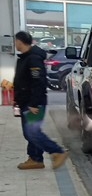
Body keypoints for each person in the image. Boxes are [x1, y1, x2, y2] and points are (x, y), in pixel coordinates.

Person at [13, 31, 67, 170]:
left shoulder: (33, 59)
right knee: (30, 132)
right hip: (26, 101)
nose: (15, 43)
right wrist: (17, 99)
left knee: (32, 132)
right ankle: (35, 158)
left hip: (33, 102)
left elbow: (39, 82)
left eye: (16, 41)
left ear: (20, 41)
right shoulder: (25, 57)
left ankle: (57, 152)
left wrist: (34, 103)